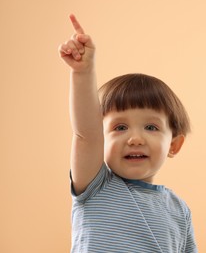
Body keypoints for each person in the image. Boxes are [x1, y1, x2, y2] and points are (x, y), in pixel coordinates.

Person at [58, 14, 197, 253]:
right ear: (101, 140)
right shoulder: (95, 185)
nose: (135, 139)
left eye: (151, 127)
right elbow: (86, 134)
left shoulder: (179, 211)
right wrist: (83, 72)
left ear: (174, 145)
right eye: (120, 127)